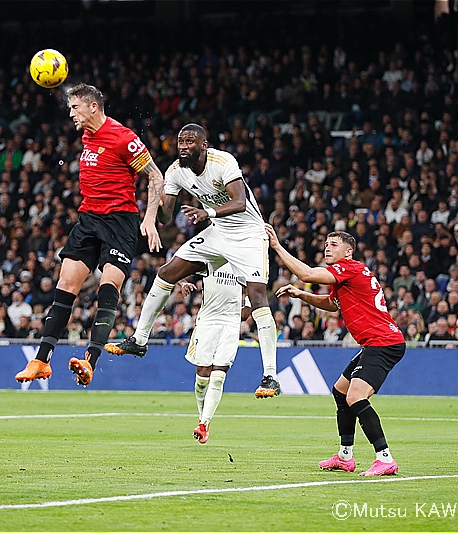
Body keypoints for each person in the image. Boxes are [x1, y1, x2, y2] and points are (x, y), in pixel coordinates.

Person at [105, 123, 280, 399]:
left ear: (204, 145)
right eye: (180, 141)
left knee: (258, 296)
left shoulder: (223, 162)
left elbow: (240, 202)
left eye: (190, 141)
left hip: (248, 234)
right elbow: (166, 216)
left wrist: (206, 212)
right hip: (218, 232)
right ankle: (139, 340)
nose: (183, 146)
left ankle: (270, 375)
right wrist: (154, 201)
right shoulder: (175, 172)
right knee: (167, 272)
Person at [14, 83, 163, 387]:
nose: (71, 113)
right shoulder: (87, 135)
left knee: (107, 289)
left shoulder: (124, 138)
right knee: (65, 285)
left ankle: (90, 361)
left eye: (75, 107)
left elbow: (155, 177)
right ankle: (42, 360)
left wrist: (149, 219)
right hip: (89, 219)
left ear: (93, 106)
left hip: (120, 223)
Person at [265, 225, 405, 476]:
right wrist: (301, 294)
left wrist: (276, 246)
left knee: (355, 397)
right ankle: (345, 456)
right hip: (375, 342)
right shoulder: (346, 277)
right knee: (341, 391)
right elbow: (332, 304)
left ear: (348, 252)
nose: (327, 248)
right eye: (326, 244)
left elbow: (307, 273)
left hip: (383, 342)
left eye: (334, 245)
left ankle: (385, 458)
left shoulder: (349, 268)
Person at [181, 263, 250, 444]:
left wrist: (248, 305)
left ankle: (204, 424)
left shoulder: (240, 261)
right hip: (207, 324)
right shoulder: (210, 259)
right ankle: (202, 417)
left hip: (230, 326)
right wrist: (182, 283)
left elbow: (254, 283)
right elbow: (176, 268)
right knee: (202, 378)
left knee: (218, 376)